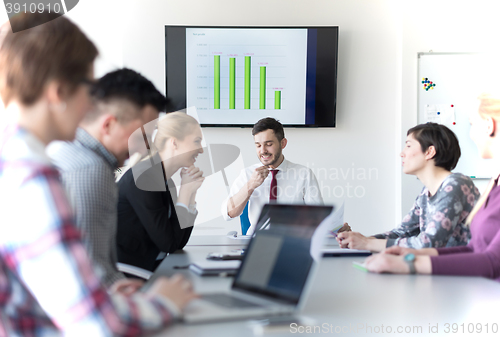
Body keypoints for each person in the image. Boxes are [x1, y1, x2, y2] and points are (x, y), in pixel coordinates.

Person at [0, 12, 196, 336]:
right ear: (58, 91)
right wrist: (165, 302)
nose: (92, 104)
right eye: (88, 89)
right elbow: (98, 325)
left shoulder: (14, 160)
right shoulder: (36, 178)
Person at [48, 68, 164, 293]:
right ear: (108, 124)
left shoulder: (69, 152)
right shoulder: (90, 169)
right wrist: (158, 302)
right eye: (143, 136)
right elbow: (90, 282)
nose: (148, 147)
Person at [365, 94, 500, 280]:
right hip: (467, 282)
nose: (402, 153)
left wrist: (410, 263)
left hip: (471, 285)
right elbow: (473, 249)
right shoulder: (494, 183)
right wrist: (366, 242)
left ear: (489, 125)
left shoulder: (456, 184)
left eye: (471, 123)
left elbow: (491, 260)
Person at [337, 123, 480, 252]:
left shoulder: (456, 184)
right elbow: (401, 233)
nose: (402, 153)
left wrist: (367, 244)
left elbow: (429, 243)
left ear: (429, 152)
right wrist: (359, 240)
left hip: (466, 274)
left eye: (408, 145)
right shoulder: (426, 192)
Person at [116, 111, 204, 271]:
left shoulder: (165, 180)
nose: (201, 150)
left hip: (150, 268)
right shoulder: (144, 178)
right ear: (174, 143)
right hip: (129, 274)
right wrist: (185, 192)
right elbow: (169, 243)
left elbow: (178, 242)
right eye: (197, 141)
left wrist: (190, 195)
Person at [222, 117, 324, 235]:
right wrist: (250, 185)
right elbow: (228, 214)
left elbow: (318, 217)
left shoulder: (303, 174)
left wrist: (336, 229)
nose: (263, 151)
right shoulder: (248, 174)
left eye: (268, 144)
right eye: (258, 145)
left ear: (283, 143)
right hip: (256, 241)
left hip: (291, 240)